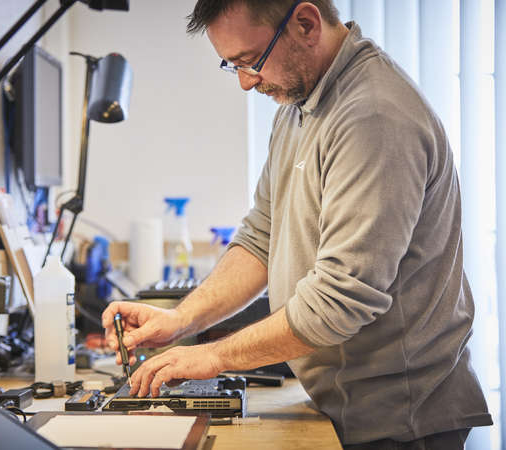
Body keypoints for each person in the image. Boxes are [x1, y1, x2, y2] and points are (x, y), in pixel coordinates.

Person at [102, 0, 493, 447]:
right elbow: (261, 236)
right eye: (233, 67)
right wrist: (180, 320)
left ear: (305, 24)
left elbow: (340, 300)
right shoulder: (299, 100)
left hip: (401, 419)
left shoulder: (374, 116)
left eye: (250, 62)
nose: (247, 83)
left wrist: (214, 357)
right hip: (345, 403)